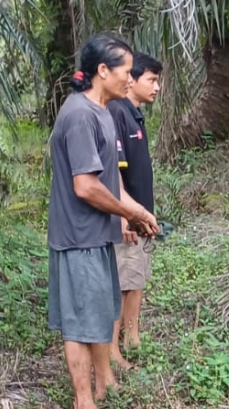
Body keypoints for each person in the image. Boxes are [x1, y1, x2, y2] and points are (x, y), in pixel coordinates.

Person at [47, 33, 159, 409]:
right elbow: (86, 187)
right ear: (102, 71)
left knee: (99, 312)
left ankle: (102, 385)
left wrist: (139, 212)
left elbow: (110, 182)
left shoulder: (104, 113)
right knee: (80, 322)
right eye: (126, 71)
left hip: (98, 235)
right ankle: (84, 400)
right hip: (77, 237)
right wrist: (128, 212)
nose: (130, 78)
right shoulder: (79, 115)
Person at [107, 52, 161, 369]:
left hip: (140, 217)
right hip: (127, 218)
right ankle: (113, 351)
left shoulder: (135, 115)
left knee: (136, 280)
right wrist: (125, 215)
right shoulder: (117, 113)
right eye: (151, 80)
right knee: (122, 283)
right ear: (133, 79)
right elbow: (114, 173)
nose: (156, 87)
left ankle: (132, 339)